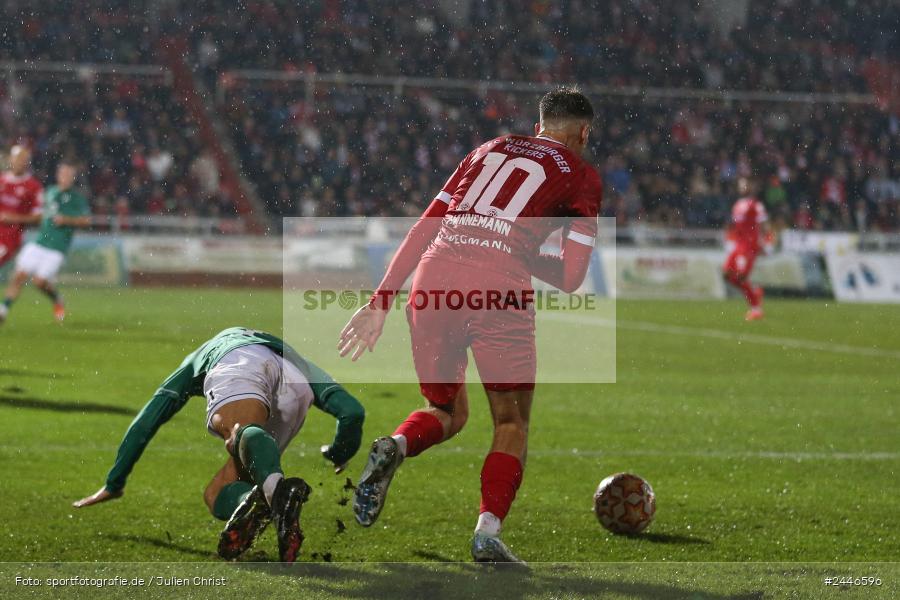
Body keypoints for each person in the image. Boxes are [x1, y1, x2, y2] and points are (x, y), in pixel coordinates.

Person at [338, 87, 602, 563]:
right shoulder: (581, 175)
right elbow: (570, 276)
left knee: (446, 411)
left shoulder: (489, 148)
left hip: (434, 277)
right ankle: (487, 531)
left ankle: (397, 444)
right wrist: (516, 247)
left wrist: (379, 301)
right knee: (511, 421)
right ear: (583, 132)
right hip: (498, 288)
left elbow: (427, 223)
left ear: (538, 125)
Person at [73, 327, 366, 563]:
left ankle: (277, 496)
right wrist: (340, 452)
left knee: (239, 433)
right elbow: (352, 412)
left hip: (238, 363)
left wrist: (115, 482)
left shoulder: (207, 353)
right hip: (296, 385)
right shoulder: (295, 358)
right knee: (217, 493)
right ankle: (261, 499)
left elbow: (146, 422)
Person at [0, 161, 90, 323]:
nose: (65, 178)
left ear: (73, 178)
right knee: (19, 275)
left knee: (39, 282)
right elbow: (39, 214)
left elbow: (86, 221)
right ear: (58, 175)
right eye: (63, 174)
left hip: (57, 247)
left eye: (69, 175)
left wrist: (67, 220)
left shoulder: (77, 198)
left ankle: (57, 298)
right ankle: (4, 309)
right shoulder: (49, 192)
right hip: (40, 242)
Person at [723, 177, 772, 321]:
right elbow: (734, 227)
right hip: (737, 246)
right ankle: (754, 292)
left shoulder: (756, 205)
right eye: (740, 184)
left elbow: (765, 226)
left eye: (744, 184)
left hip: (750, 246)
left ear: (751, 186)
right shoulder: (737, 205)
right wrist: (730, 241)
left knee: (741, 276)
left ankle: (756, 309)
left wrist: (768, 243)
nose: (742, 186)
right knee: (727, 274)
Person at [0, 145, 43, 267]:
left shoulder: (33, 186)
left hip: (9, 239)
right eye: (18, 158)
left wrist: (13, 218)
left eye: (24, 159)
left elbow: (38, 217)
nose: (20, 162)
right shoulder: (1, 180)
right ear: (10, 159)